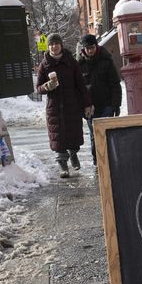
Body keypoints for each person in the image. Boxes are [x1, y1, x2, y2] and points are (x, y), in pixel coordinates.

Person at [36, 33, 93, 178]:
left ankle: (73, 154)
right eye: (51, 44)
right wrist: (47, 87)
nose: (54, 47)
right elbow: (38, 88)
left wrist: (87, 104)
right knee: (58, 136)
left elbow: (80, 84)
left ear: (61, 45)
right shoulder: (45, 64)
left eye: (56, 44)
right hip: (54, 106)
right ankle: (62, 165)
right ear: (48, 47)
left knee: (73, 135)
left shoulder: (71, 61)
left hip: (71, 104)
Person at [77, 33, 122, 166]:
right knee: (94, 136)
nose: (90, 50)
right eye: (87, 48)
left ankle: (110, 161)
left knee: (107, 134)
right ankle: (98, 162)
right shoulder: (79, 65)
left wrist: (115, 105)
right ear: (83, 49)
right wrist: (82, 108)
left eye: (92, 47)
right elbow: (77, 89)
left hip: (107, 105)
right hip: (90, 107)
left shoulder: (106, 61)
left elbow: (115, 84)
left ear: (96, 46)